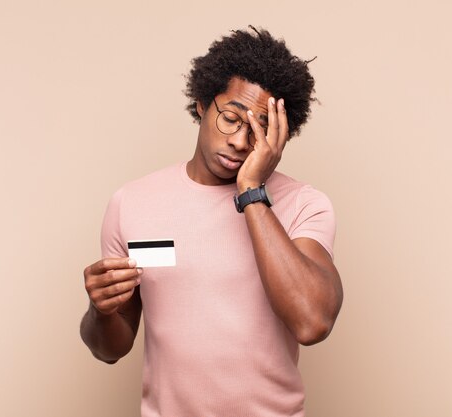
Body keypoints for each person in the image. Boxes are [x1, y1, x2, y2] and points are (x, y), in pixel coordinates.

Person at [79, 26, 343, 416]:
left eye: (260, 130)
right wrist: (99, 310)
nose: (240, 141)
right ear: (203, 103)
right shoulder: (131, 203)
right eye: (231, 119)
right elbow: (110, 349)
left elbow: (312, 322)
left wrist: (251, 190)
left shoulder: (305, 205)